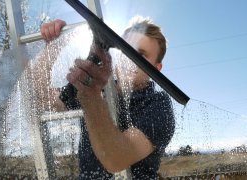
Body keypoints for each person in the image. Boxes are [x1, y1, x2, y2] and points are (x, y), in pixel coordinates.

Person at [39, 17, 175, 179]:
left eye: (141, 55)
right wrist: (53, 45)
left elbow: (115, 159)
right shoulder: (98, 86)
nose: (131, 59)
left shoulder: (158, 103)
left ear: (156, 68)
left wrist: (91, 96)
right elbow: (45, 101)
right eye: (127, 50)